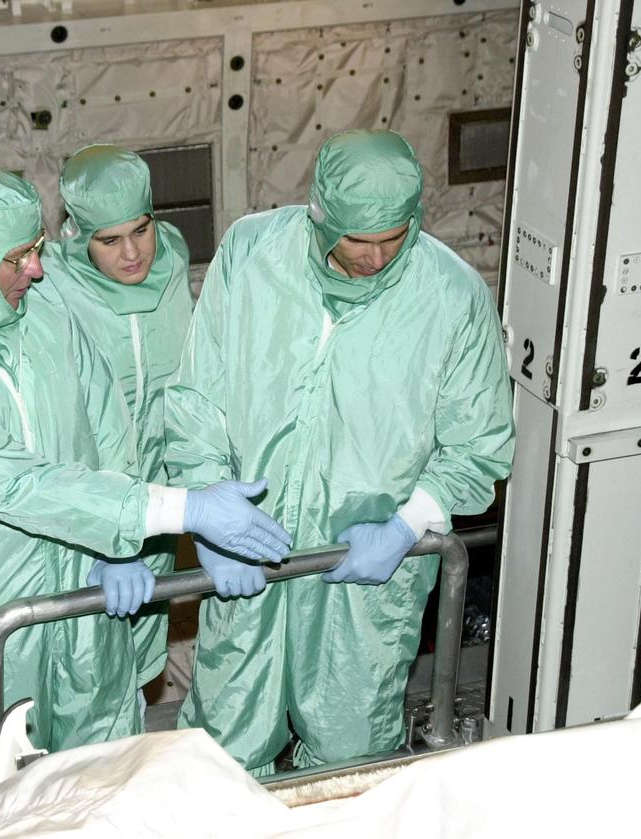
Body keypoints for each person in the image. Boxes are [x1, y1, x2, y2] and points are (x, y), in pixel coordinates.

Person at [0, 162, 291, 801]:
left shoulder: (40, 309)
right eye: (19, 257)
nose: (36, 268)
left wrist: (120, 547)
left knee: (105, 773)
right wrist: (179, 509)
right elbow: (15, 483)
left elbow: (106, 424)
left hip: (85, 584)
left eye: (35, 251)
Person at [166, 129, 514, 775]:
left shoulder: (451, 293)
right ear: (320, 215)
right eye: (359, 239)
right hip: (252, 545)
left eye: (393, 237)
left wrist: (409, 523)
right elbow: (198, 397)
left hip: (365, 566)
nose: (376, 255)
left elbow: (480, 445)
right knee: (226, 748)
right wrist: (207, 504)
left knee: (352, 750)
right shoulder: (252, 252)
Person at [43, 145, 195, 690]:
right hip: (85, 508)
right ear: (77, 235)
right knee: (82, 673)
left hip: (159, 500)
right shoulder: (47, 283)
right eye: (109, 240)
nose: (133, 253)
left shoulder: (172, 256)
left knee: (140, 663)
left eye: (142, 228)